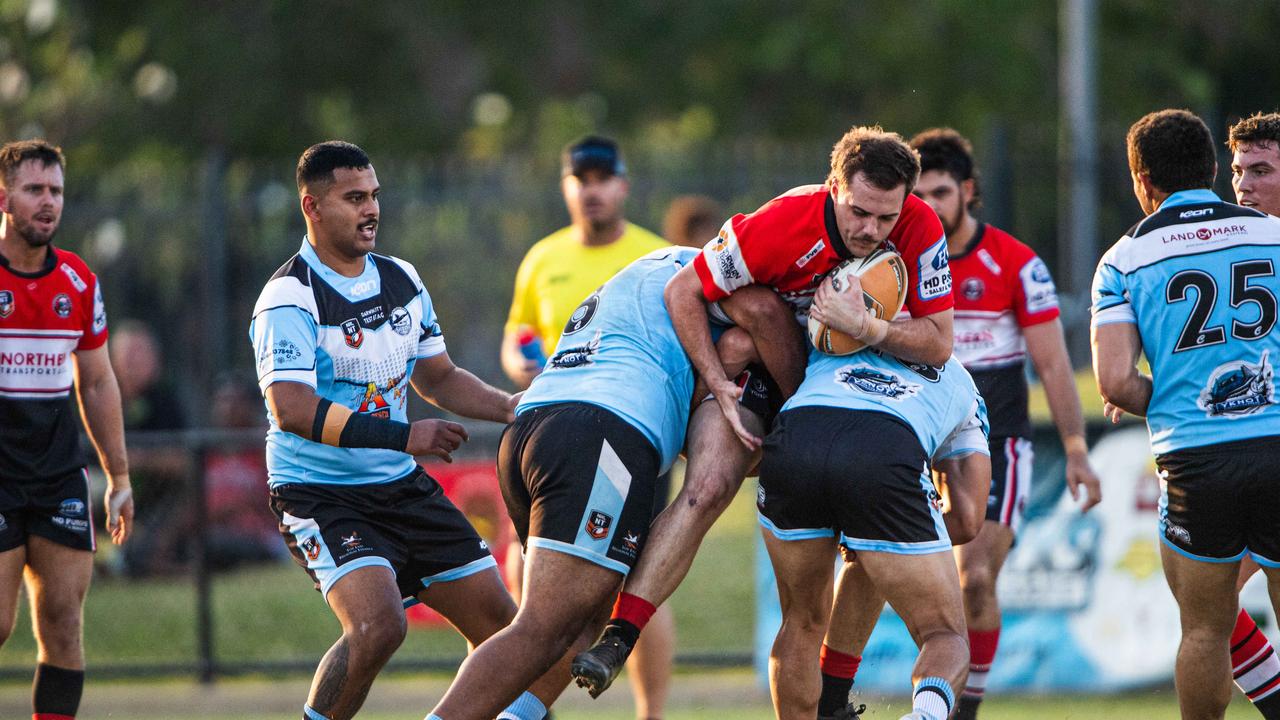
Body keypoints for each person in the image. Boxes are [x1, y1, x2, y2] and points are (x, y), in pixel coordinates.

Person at [572, 125, 956, 697]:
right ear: (832, 187)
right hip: (767, 385)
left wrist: (866, 327)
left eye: (886, 218)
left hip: (850, 403)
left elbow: (940, 341)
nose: (871, 230)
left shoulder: (919, 225)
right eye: (859, 213)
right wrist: (716, 383)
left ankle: (833, 697)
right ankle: (619, 637)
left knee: (851, 567)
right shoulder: (780, 225)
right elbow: (684, 292)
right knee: (707, 486)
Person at [250, 141, 563, 720]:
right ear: (311, 207)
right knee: (378, 626)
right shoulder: (287, 297)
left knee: (509, 634)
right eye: (353, 198)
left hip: (399, 485)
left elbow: (439, 376)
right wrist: (405, 436)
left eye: (374, 196)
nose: (370, 210)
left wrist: (513, 406)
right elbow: (291, 408)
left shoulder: (401, 279)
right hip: (320, 494)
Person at [426, 246, 719, 720]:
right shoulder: (741, 282)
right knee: (542, 628)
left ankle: (515, 715)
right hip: (601, 437)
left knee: (584, 617)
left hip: (536, 423)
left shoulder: (655, 261)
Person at [895, 128, 1100, 718]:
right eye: (920, 196)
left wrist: (1077, 448)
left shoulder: (1014, 263)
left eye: (940, 193)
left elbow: (1054, 366)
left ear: (968, 191)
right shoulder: (896, 266)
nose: (929, 207)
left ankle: (963, 710)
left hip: (997, 445)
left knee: (975, 578)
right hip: (918, 445)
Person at [1092, 109, 1280, 720]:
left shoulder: (1124, 259)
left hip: (1197, 460)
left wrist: (1175, 399)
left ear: (1141, 180)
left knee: (1203, 628)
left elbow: (1116, 382)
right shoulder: (1274, 236)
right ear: (1213, 169)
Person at [499, 135, 675, 718]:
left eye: (603, 178)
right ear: (566, 186)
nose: (592, 190)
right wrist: (519, 362)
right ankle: (528, 703)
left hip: (631, 433)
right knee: (526, 576)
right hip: (558, 433)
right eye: (581, 178)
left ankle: (650, 713)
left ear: (623, 185)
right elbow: (517, 334)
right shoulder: (543, 258)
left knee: (639, 580)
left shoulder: (657, 253)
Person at [760, 342, 991, 720]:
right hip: (884, 448)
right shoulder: (959, 379)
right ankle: (925, 715)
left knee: (799, 623)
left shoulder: (827, 343)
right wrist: (885, 534)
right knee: (944, 636)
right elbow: (967, 516)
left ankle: (831, 703)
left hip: (798, 434)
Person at [0, 139, 133, 720]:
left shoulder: (78, 281)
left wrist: (120, 475)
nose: (48, 202)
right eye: (34, 190)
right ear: (3, 197)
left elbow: (98, 383)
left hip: (56, 476)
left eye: (55, 190)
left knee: (63, 622)